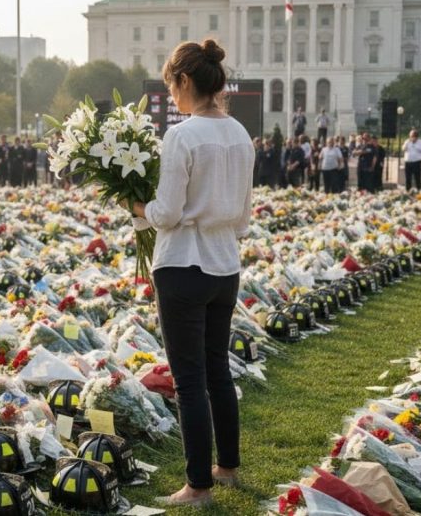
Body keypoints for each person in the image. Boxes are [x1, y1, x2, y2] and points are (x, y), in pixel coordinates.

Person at [130, 39, 253, 507]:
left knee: (189, 378)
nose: (172, 95)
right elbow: (242, 217)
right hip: (225, 265)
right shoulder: (241, 134)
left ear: (183, 81)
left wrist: (138, 206)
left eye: (172, 86)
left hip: (183, 264)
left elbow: (167, 213)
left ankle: (198, 484)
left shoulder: (183, 135)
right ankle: (229, 467)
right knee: (217, 369)